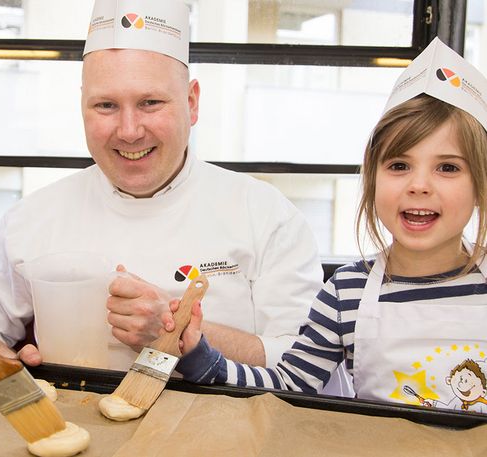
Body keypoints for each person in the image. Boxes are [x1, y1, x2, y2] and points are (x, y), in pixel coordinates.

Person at [0, 0, 346, 392]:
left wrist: (175, 328)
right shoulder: (33, 217)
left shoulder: (265, 215)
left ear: (191, 103)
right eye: (106, 105)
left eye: (150, 103)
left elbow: (303, 361)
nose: (129, 131)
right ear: (82, 106)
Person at [176, 37, 487, 413]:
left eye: (448, 167)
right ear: (372, 180)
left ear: (480, 186)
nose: (419, 185)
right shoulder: (346, 293)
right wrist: (204, 358)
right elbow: (291, 384)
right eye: (399, 166)